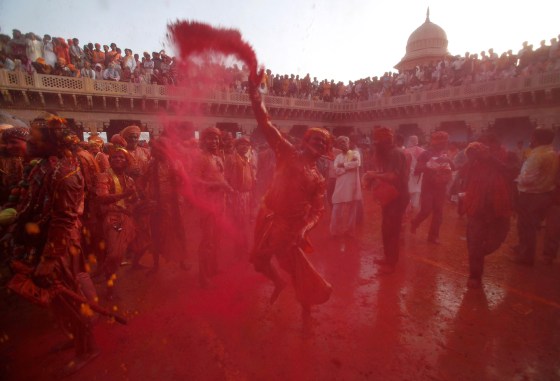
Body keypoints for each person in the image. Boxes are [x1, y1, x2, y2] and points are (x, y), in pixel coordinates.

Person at [9, 115, 98, 376]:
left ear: (50, 141)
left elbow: (65, 219)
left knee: (72, 299)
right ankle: (75, 338)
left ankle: (88, 348)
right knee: (58, 301)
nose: (29, 141)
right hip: (47, 244)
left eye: (35, 137)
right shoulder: (45, 166)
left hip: (61, 247)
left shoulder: (66, 172)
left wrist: (49, 258)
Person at [248, 69, 333, 318]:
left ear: (325, 151)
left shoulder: (318, 178)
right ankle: (278, 283)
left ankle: (306, 309)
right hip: (268, 216)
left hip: (290, 226)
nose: (317, 145)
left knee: (295, 268)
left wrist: (303, 229)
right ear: (305, 141)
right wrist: (255, 95)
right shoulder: (287, 153)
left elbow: (318, 210)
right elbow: (266, 124)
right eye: (314, 140)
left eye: (322, 143)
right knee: (259, 260)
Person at [461, 142, 513, 289]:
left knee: (498, 238)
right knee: (474, 242)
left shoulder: (502, 161)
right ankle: (475, 275)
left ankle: (479, 253)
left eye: (475, 153)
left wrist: (490, 159)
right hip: (477, 210)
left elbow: (512, 172)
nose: (473, 157)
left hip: (498, 208)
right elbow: (463, 178)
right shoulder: (472, 165)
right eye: (470, 154)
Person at [362, 127, 409, 274]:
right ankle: (388, 258)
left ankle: (391, 263)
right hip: (390, 197)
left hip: (397, 197)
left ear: (384, 142)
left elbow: (392, 176)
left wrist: (373, 175)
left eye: (377, 143)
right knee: (386, 229)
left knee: (392, 230)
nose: (375, 146)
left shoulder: (395, 153)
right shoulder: (390, 153)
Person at [94, 145, 138, 298]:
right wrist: (124, 195)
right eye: (114, 157)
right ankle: (109, 283)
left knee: (122, 253)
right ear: (110, 160)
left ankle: (108, 274)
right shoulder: (103, 176)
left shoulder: (129, 179)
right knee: (114, 254)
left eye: (121, 157)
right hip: (112, 217)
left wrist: (136, 201)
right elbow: (101, 198)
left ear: (127, 162)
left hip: (127, 218)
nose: (118, 159)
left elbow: (133, 199)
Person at [510, 128, 559, 266]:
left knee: (527, 226)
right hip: (545, 194)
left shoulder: (537, 155)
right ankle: (524, 249)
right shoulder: (553, 154)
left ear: (535, 138)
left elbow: (526, 178)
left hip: (530, 195)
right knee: (531, 226)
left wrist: (516, 179)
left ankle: (526, 256)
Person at [194, 127, 233, 287]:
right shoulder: (200, 158)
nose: (214, 141)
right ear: (204, 141)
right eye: (210, 138)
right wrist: (217, 185)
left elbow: (222, 178)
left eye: (216, 138)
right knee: (207, 241)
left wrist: (225, 188)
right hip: (207, 205)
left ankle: (213, 268)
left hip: (220, 203)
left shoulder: (218, 157)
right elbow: (195, 182)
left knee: (217, 239)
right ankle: (203, 276)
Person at [410, 131, 454, 243]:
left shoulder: (444, 154)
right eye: (442, 143)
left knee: (438, 212)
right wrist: (429, 164)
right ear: (435, 144)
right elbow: (417, 168)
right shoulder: (426, 154)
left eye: (445, 143)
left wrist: (448, 161)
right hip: (428, 187)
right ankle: (415, 222)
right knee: (426, 210)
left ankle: (433, 236)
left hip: (441, 187)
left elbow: (453, 167)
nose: (444, 145)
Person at [330, 136, 362, 252]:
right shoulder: (337, 157)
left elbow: (357, 163)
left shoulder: (354, 153)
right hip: (340, 186)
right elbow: (335, 170)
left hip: (352, 186)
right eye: (340, 143)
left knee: (351, 210)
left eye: (345, 142)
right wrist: (346, 167)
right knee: (336, 209)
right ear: (338, 145)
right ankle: (334, 231)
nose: (343, 144)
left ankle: (349, 231)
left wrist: (342, 166)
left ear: (348, 143)